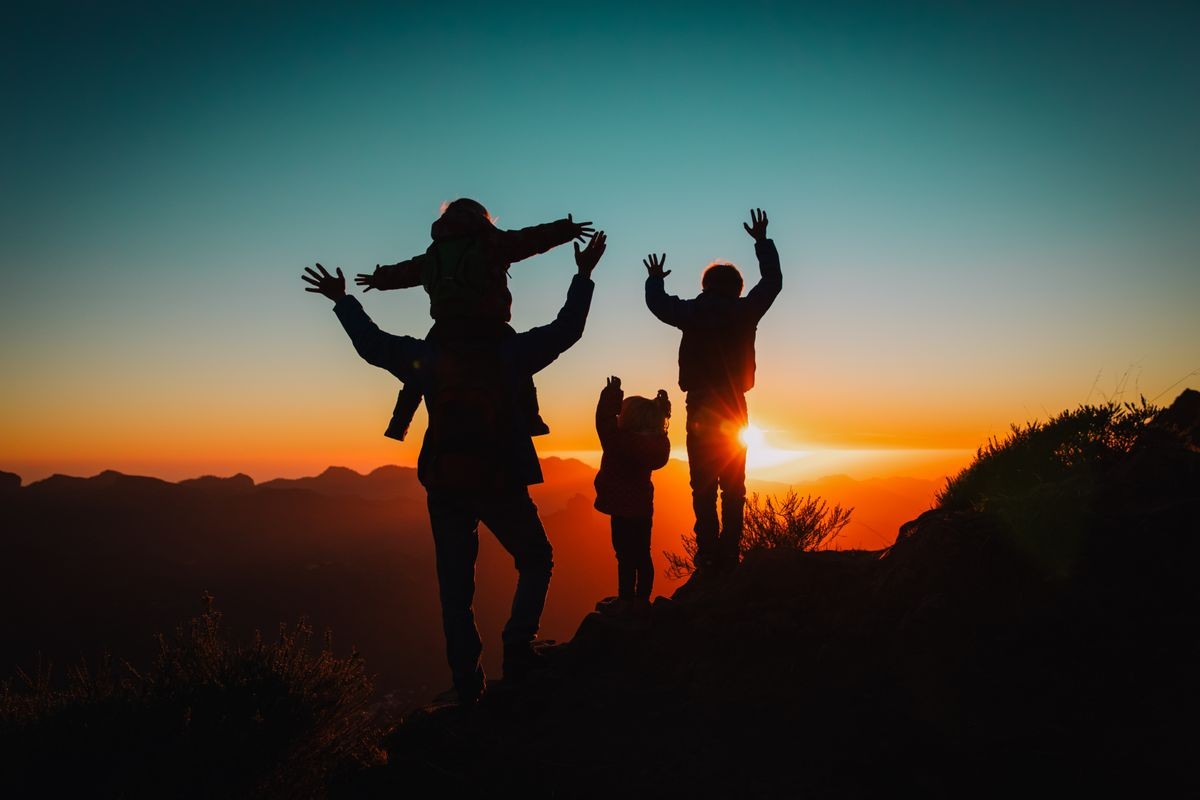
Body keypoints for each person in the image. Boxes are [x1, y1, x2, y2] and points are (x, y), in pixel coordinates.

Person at [302, 230, 607, 703]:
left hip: (444, 479)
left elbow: (373, 345)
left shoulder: (429, 354)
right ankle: (518, 648)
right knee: (536, 559)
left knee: (455, 592)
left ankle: (468, 685)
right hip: (500, 476)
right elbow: (567, 330)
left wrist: (343, 300)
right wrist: (583, 275)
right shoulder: (509, 353)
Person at [353, 199, 594, 441]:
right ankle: (531, 419)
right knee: (520, 368)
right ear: (482, 218)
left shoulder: (433, 254)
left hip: (444, 331)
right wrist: (566, 230)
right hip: (490, 330)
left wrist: (378, 279)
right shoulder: (492, 243)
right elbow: (530, 239)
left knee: (419, 368)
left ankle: (399, 423)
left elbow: (404, 272)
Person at [643, 209, 781, 576]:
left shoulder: (693, 312)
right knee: (734, 487)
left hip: (700, 408)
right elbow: (773, 282)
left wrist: (654, 280)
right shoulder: (745, 311)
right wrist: (763, 243)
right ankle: (730, 554)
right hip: (736, 407)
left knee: (702, 486)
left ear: (705, 285)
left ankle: (707, 556)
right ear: (736, 287)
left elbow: (659, 305)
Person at [592, 376, 672, 615]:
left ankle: (625, 600)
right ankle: (641, 600)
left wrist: (611, 394)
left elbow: (603, 422)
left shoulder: (619, 441)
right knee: (642, 554)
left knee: (624, 556)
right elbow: (662, 433)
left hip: (620, 509)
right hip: (643, 509)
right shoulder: (657, 445)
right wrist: (664, 410)